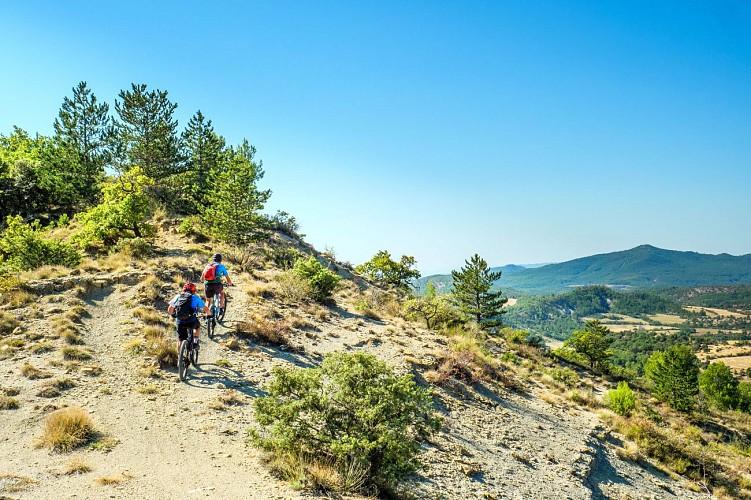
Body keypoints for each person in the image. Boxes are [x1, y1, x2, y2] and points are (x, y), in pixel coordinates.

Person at [167, 282, 210, 354]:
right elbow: (205, 309)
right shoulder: (195, 298)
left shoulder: (178, 296)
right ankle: (195, 342)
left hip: (180, 320)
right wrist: (209, 315)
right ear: (193, 291)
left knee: (180, 339)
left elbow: (170, 309)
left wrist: (173, 315)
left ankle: (180, 358)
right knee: (197, 327)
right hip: (191, 320)